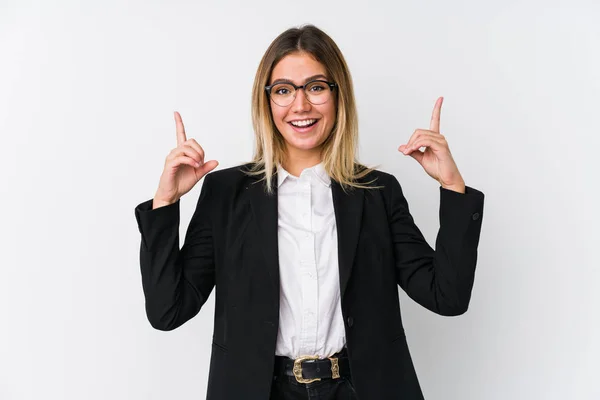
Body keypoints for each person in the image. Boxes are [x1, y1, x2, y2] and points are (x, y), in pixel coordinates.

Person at [134, 24, 485, 400]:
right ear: (266, 101)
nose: (300, 106)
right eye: (283, 90)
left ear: (338, 96)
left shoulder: (377, 193)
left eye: (316, 87)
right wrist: (166, 202)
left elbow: (447, 297)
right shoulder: (225, 194)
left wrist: (452, 186)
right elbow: (167, 311)